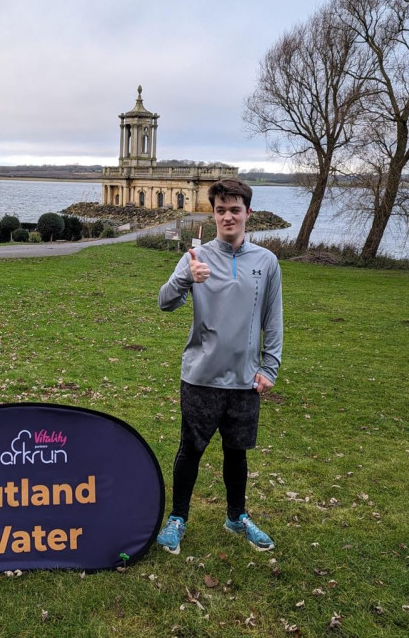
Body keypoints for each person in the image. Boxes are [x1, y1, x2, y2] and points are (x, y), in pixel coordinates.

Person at [156, 178, 283, 554]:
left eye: (235, 209)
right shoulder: (195, 258)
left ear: (248, 214)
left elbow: (272, 320)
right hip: (200, 375)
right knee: (190, 450)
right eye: (221, 210)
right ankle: (177, 518)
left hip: (245, 379)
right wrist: (185, 278)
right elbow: (164, 302)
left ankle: (236, 516)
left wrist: (269, 368)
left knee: (236, 452)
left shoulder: (267, 262)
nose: (228, 216)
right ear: (213, 214)